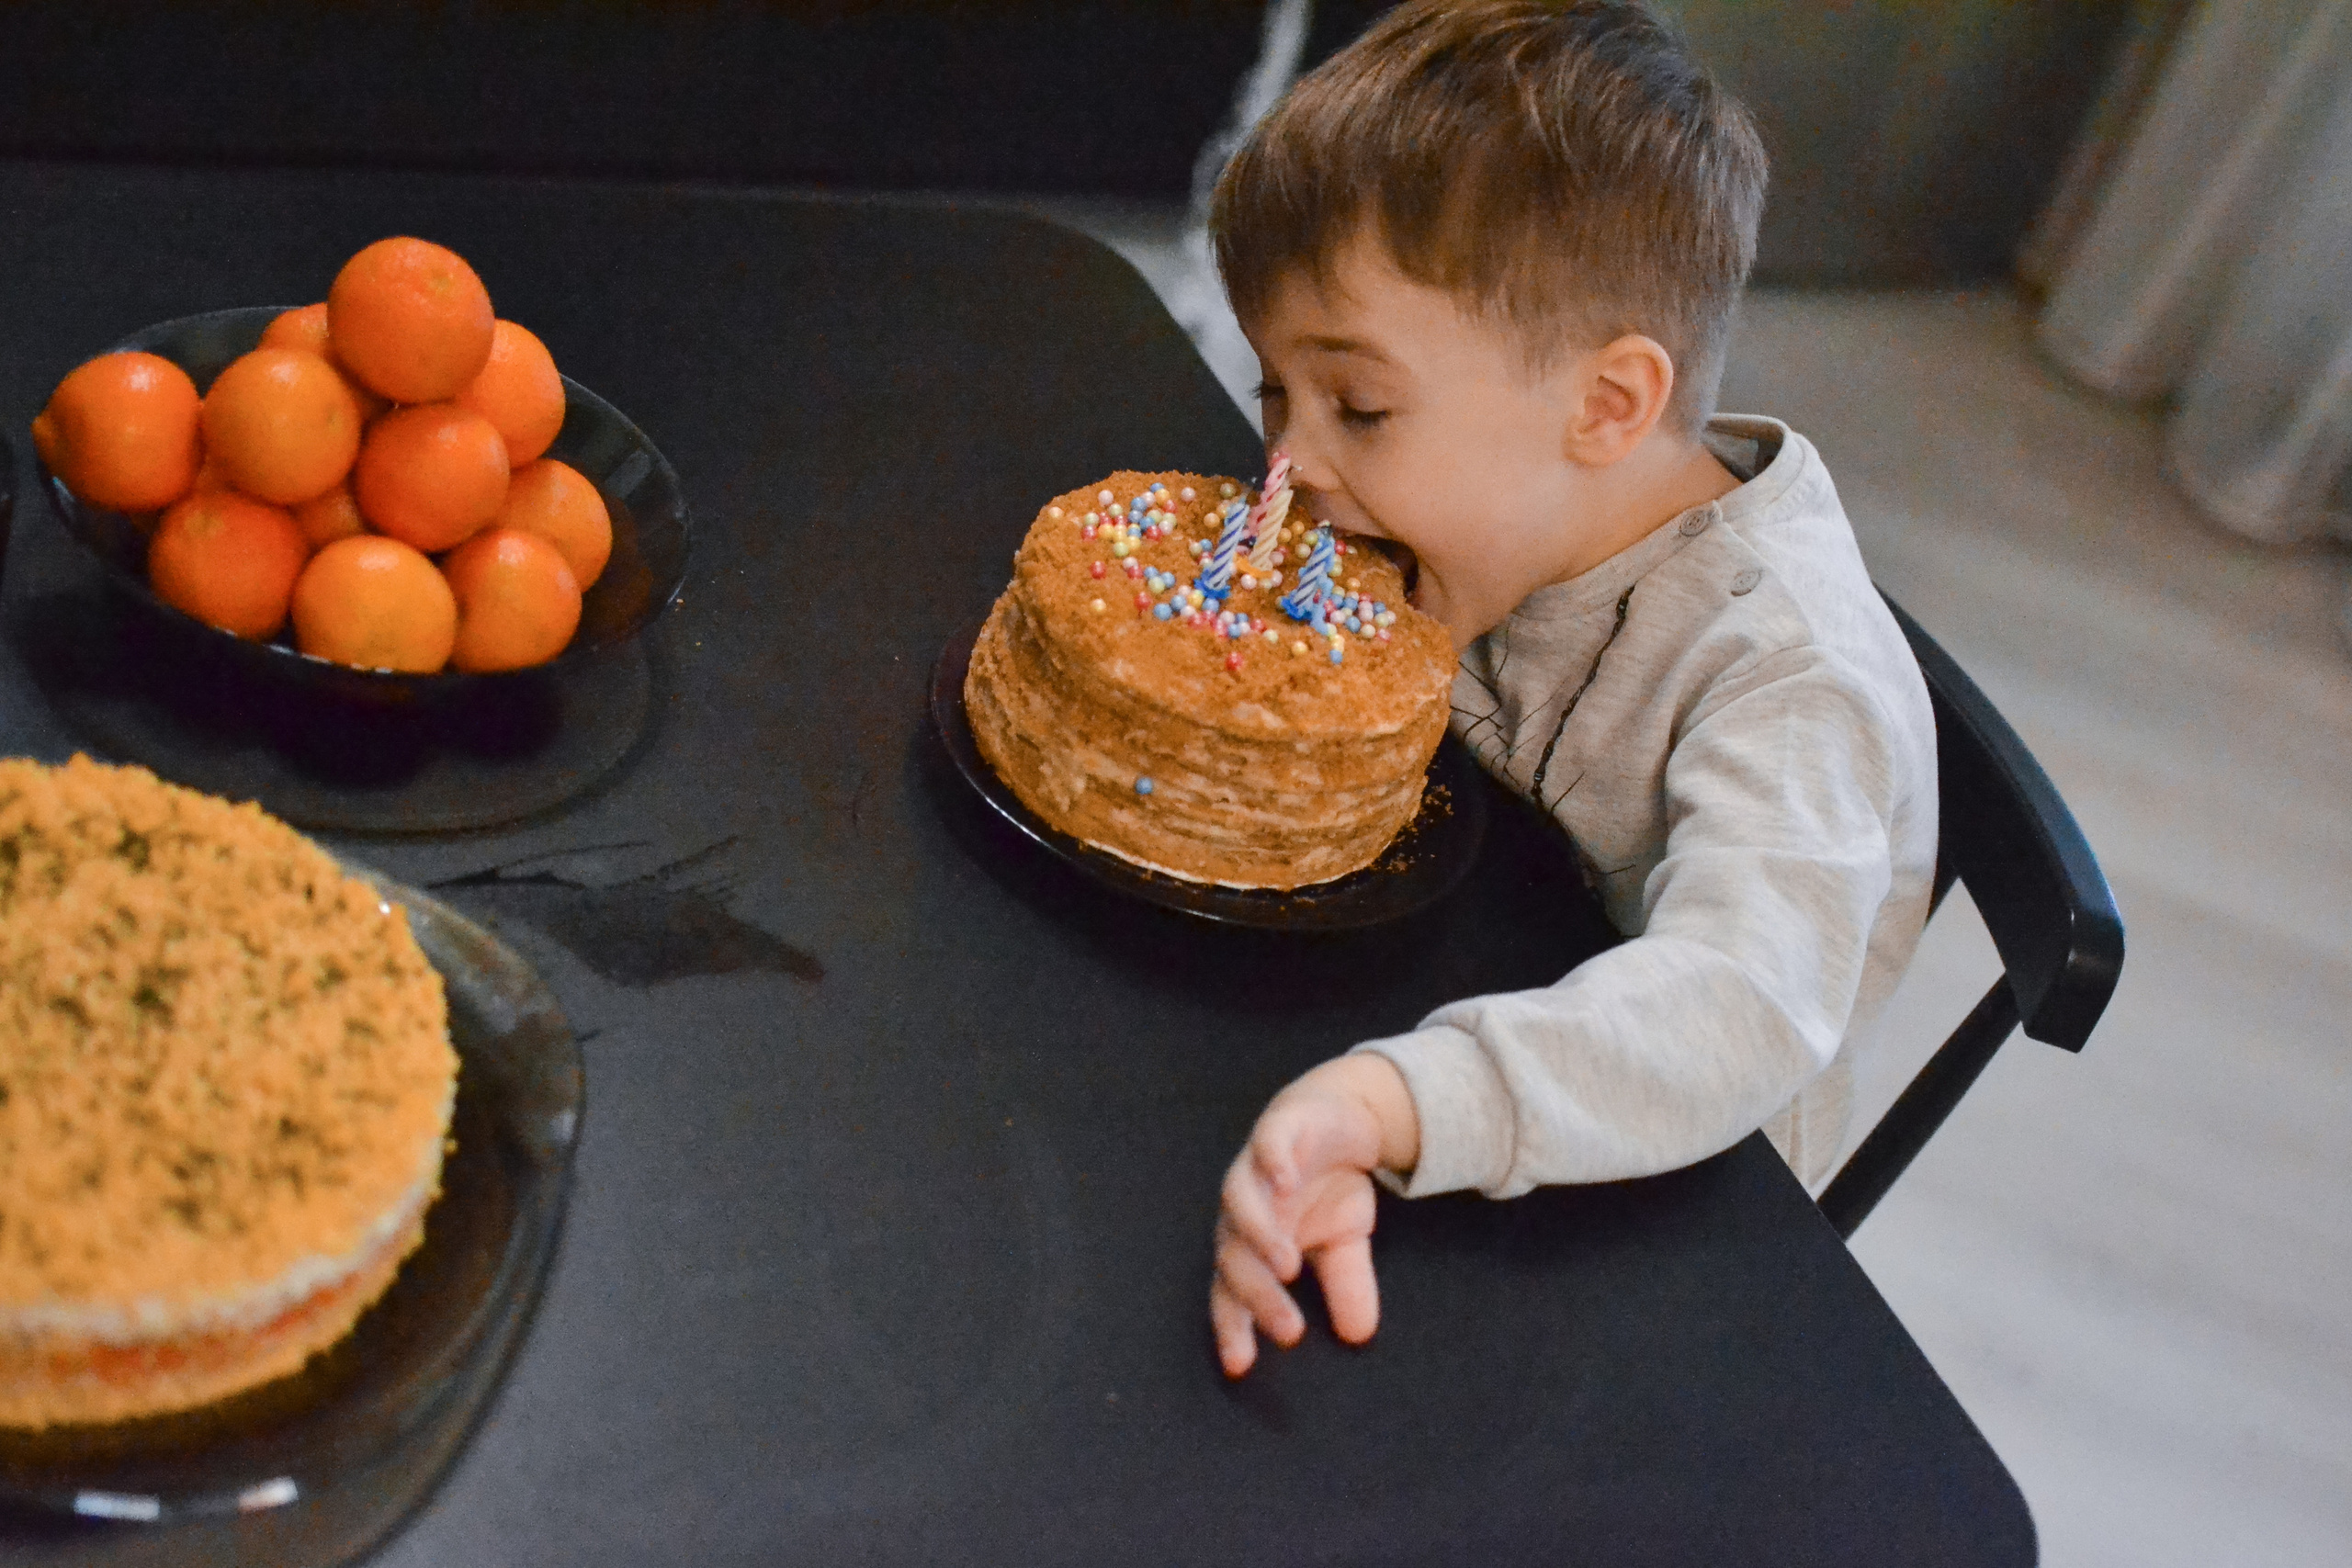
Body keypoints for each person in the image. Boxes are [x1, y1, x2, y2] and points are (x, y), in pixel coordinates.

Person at [1205, 0, 1939, 1378]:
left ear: (1607, 408)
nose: (1289, 471)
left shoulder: (1789, 682)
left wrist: (1395, 1099)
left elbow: (1738, 1001)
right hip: (1437, 991)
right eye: (1272, 396)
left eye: (1357, 409)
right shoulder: (1490, 510)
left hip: (1636, 1219)